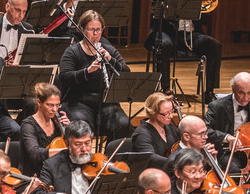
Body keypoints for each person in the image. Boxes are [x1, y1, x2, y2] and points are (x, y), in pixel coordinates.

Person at [145, 0, 222, 101]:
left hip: (192, 34)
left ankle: (210, 91)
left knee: (214, 45)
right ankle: (165, 89)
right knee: (164, 44)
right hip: (168, 33)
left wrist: (196, 1)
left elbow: (206, 20)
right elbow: (155, 16)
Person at [58, 10, 131, 141]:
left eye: (99, 29)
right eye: (91, 29)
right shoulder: (72, 51)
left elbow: (126, 74)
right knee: (82, 126)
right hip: (79, 101)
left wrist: (111, 60)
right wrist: (87, 71)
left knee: (123, 124)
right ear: (82, 29)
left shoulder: (110, 50)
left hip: (106, 101)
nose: (96, 34)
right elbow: (64, 77)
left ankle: (111, 159)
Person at [204, 72, 250, 176]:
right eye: (241, 93)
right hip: (228, 151)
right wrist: (227, 137)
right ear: (233, 89)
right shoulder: (217, 106)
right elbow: (206, 130)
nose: (246, 97)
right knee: (233, 170)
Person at [18, 83, 69, 176]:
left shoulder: (57, 123)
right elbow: (35, 153)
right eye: (50, 105)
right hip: (33, 175)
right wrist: (65, 151)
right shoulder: (28, 125)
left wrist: (69, 129)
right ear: (39, 102)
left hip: (54, 173)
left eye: (57, 105)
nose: (54, 109)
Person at [131, 93, 181, 170]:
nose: (171, 116)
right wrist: (178, 163)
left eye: (172, 111)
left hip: (169, 171)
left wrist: (186, 128)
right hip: (151, 176)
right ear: (153, 112)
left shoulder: (170, 128)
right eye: (166, 113)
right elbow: (151, 158)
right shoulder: (142, 133)